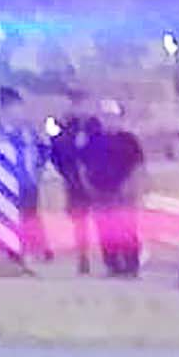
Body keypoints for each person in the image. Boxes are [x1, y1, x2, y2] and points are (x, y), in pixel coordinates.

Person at [0, 87, 51, 265]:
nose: (18, 112)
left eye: (19, 107)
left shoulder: (28, 131)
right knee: (8, 215)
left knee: (30, 216)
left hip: (27, 181)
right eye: (14, 107)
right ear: (4, 109)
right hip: (6, 183)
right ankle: (14, 249)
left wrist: (38, 170)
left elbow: (44, 150)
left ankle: (38, 248)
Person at [80, 104, 148, 278]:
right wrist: (87, 186)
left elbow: (139, 166)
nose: (109, 120)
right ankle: (113, 266)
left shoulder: (129, 140)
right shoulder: (93, 140)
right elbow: (82, 164)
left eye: (113, 117)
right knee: (106, 232)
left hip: (124, 196)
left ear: (119, 118)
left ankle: (131, 266)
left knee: (127, 232)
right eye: (106, 117)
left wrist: (133, 188)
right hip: (101, 195)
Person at [51, 88, 106, 272]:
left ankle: (109, 257)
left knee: (102, 219)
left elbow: (103, 151)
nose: (78, 108)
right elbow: (57, 152)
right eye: (74, 104)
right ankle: (83, 256)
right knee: (79, 221)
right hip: (74, 180)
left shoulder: (95, 125)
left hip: (95, 179)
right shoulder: (67, 125)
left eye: (81, 104)